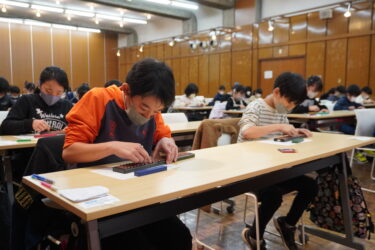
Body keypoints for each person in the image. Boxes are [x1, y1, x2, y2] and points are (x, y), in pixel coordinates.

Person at [62, 58, 192, 249]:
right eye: (144, 108)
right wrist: (112, 146)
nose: (148, 116)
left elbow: (163, 134)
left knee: (179, 237)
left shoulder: (153, 112)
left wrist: (167, 140)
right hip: (100, 201)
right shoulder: (99, 99)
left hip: (138, 196)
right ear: (126, 90)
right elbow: (69, 151)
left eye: (156, 111)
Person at [239, 72, 318, 250]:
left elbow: (280, 134)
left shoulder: (281, 111)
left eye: (293, 105)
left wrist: (295, 131)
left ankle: (287, 224)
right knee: (272, 196)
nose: (289, 108)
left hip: (273, 168)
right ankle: (253, 234)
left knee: (310, 186)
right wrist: (280, 126)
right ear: (276, 92)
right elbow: (247, 132)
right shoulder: (256, 107)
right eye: (288, 102)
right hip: (250, 170)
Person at [1, 67, 73, 135]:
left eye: (59, 92)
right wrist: (30, 124)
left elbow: (79, 126)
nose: (53, 95)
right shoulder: (26, 101)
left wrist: (73, 129)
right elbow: (5, 127)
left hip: (56, 146)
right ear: (39, 85)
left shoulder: (67, 106)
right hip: (29, 147)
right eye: (48, 91)